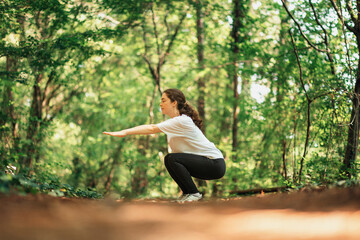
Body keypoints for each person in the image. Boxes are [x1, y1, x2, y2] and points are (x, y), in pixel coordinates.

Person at [103, 88, 226, 202]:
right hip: (209, 164)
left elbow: (151, 128)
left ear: (174, 102)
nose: (160, 104)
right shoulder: (175, 123)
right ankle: (188, 193)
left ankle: (194, 194)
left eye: (163, 100)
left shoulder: (182, 120)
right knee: (171, 159)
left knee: (171, 159)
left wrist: (124, 132)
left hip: (214, 163)